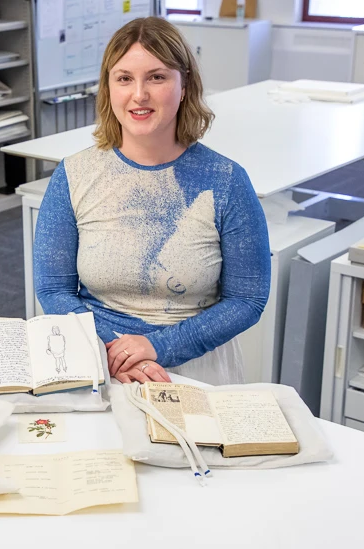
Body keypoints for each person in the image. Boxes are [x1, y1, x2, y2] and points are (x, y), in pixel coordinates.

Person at [33, 17, 270, 386]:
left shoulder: (226, 181)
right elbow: (53, 289)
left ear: (184, 83)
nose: (138, 94)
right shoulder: (74, 175)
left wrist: (159, 347)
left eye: (157, 77)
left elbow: (247, 300)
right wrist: (115, 352)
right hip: (98, 360)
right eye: (124, 78)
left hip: (192, 366)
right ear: (108, 86)